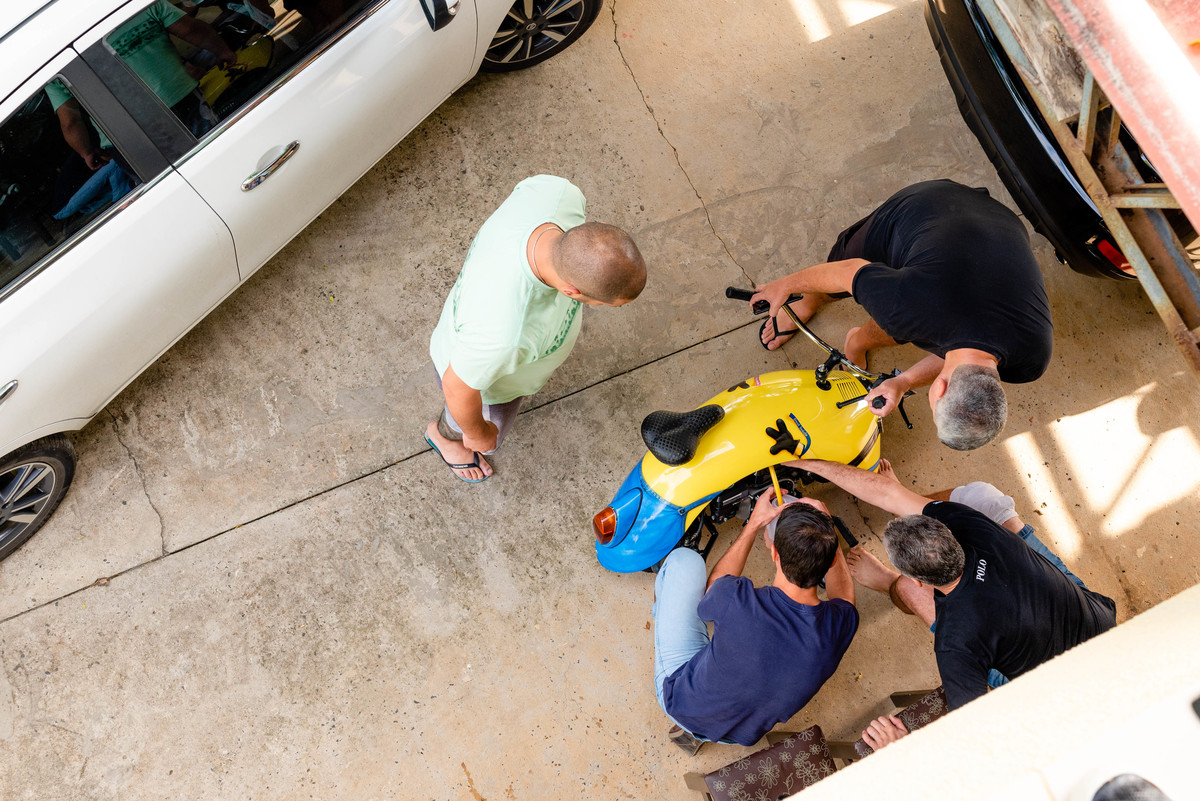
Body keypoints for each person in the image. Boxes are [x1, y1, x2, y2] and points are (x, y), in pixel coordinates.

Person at [791, 458, 1116, 750]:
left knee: (906, 591)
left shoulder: (956, 644)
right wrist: (814, 464)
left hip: (1057, 692)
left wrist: (902, 748)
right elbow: (888, 494)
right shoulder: (978, 529)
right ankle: (909, 556)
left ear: (921, 579)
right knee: (985, 497)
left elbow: (973, 738)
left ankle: (891, 582)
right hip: (1098, 626)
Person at [751, 179, 1053, 450]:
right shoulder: (907, 305)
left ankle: (857, 341)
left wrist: (901, 382)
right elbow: (847, 272)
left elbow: (959, 358)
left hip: (1003, 222)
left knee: (909, 320)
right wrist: (785, 285)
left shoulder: (1033, 356)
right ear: (938, 389)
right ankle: (807, 304)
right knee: (843, 263)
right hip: (926, 205)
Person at [425, 175, 645, 482]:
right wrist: (476, 434)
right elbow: (458, 387)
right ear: (570, 292)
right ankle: (444, 437)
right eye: (607, 304)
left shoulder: (558, 194)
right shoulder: (505, 334)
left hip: (491, 355)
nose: (606, 308)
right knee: (478, 429)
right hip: (490, 386)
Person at [653, 489, 858, 752]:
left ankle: (662, 610)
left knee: (684, 561)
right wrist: (827, 529)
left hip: (681, 701)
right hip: (739, 733)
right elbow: (844, 594)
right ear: (831, 562)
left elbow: (712, 592)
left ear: (774, 554)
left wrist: (753, 525)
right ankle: (702, 735)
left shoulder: (737, 600)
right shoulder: (840, 626)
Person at [47, 0, 237, 172]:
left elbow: (70, 121)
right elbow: (190, 29)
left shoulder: (54, 56)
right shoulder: (132, 4)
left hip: (125, 137)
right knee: (219, 160)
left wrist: (86, 152)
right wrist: (222, 50)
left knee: (169, 188)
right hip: (177, 101)